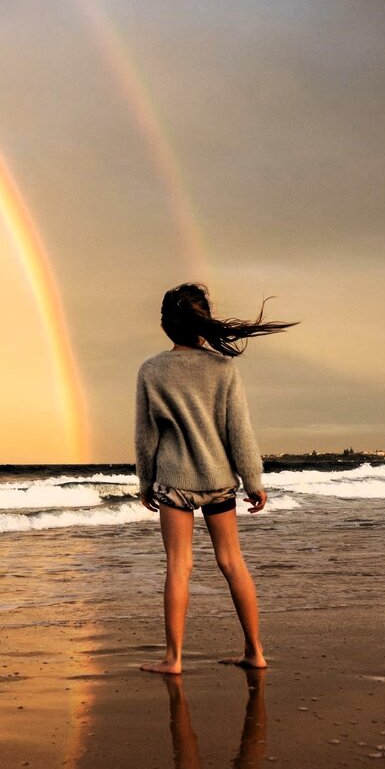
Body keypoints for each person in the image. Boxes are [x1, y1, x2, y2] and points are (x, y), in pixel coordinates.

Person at [135, 282, 296, 675]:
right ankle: (255, 652)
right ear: (203, 324)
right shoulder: (224, 369)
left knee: (178, 565)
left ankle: (173, 659)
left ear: (165, 325)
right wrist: (253, 480)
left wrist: (145, 482)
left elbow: (146, 436)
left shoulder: (152, 370)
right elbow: (238, 430)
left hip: (174, 482)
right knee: (232, 562)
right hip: (220, 480)